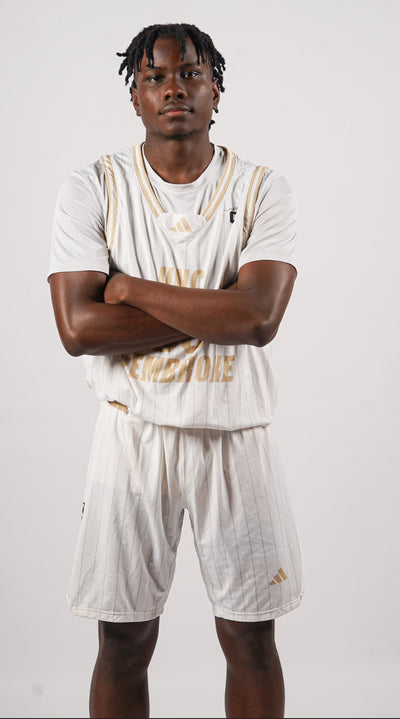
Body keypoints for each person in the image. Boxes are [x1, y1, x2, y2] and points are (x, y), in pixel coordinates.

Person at [48, 22, 303, 719]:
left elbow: (259, 319)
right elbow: (78, 330)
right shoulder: (93, 187)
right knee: (123, 641)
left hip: (235, 434)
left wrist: (129, 289)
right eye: (155, 76)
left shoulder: (262, 188)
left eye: (190, 73)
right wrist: (218, 308)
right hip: (132, 434)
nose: (173, 88)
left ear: (216, 88)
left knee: (250, 638)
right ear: (134, 95)